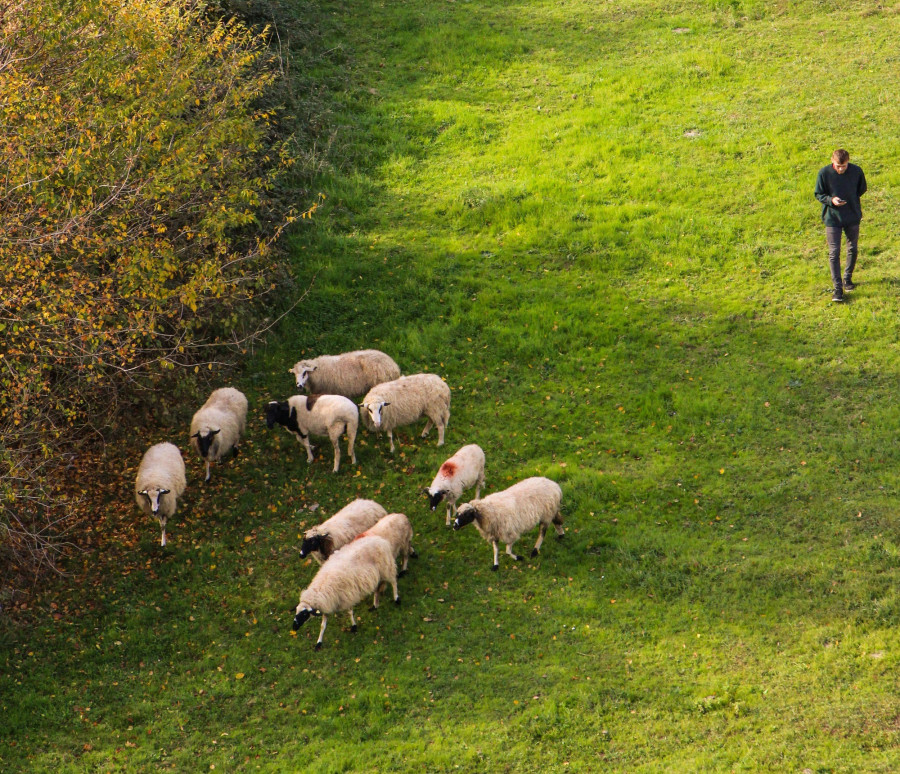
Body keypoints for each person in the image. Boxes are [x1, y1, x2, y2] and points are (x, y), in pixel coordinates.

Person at [814, 148, 867, 302]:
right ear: (832, 161)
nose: (841, 169)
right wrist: (831, 200)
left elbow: (861, 189)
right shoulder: (824, 173)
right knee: (834, 252)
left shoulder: (856, 171)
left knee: (853, 248)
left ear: (848, 161)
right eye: (838, 166)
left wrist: (850, 199)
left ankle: (847, 278)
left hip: (852, 216)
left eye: (844, 166)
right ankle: (838, 288)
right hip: (832, 218)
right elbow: (819, 194)